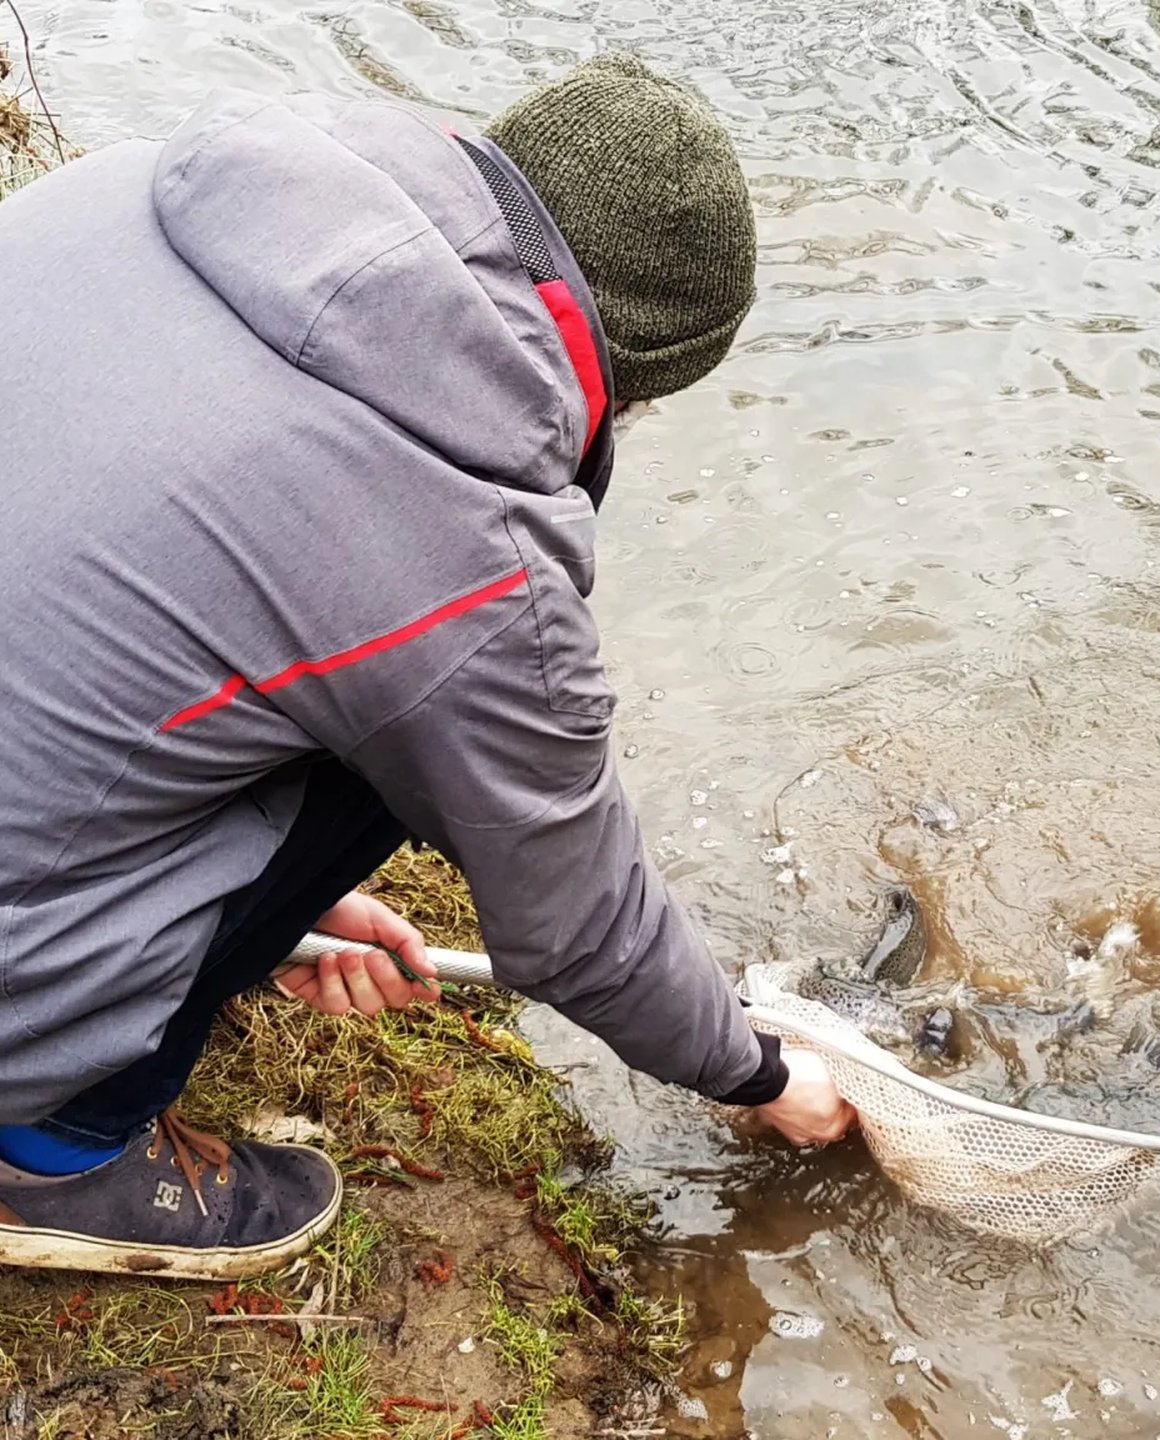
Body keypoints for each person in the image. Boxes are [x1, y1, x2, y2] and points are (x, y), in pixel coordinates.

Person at [0, 53, 856, 1282]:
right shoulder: (467, 549)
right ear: (632, 375)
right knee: (419, 757)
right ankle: (52, 1156)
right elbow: (579, 930)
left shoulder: (145, 187)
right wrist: (765, 1076)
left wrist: (274, 900)